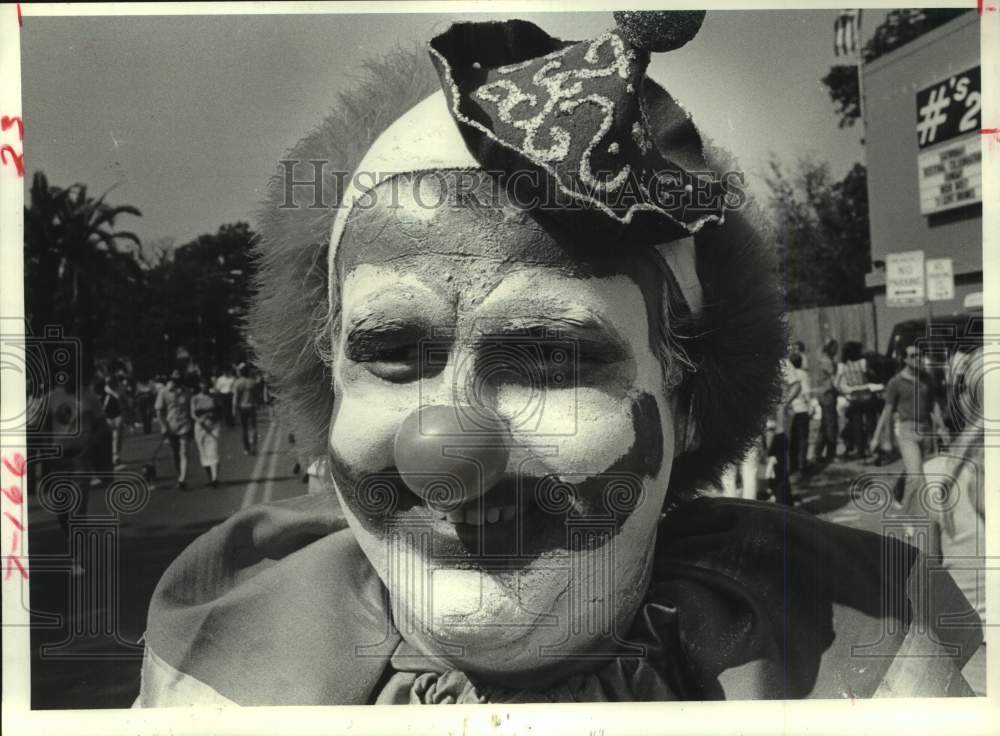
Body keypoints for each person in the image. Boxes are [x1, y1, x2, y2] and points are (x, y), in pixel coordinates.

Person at [137, 12, 979, 705]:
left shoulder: (872, 662)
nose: (444, 450)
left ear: (685, 401)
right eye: (394, 353)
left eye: (549, 356)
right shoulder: (218, 673)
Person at [870, 344, 950, 524]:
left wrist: (942, 427)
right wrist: (879, 437)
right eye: (913, 356)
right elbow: (887, 411)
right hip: (907, 431)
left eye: (920, 355)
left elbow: (933, 406)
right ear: (905, 359)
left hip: (926, 430)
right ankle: (908, 516)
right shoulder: (896, 382)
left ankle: (898, 494)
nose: (917, 359)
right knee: (916, 476)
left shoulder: (926, 379)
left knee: (920, 471)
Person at [155, 369, 193, 490]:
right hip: (170, 426)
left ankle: (182, 478)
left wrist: (192, 425)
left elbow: (190, 409)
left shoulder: (187, 391)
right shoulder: (164, 392)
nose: (177, 382)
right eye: (175, 380)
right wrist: (163, 426)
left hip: (184, 425)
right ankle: (180, 474)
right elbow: (159, 410)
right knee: (175, 453)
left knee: (184, 453)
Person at [835, 341, 872, 458]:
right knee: (870, 422)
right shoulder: (862, 362)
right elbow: (869, 375)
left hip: (853, 396)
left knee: (857, 424)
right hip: (866, 394)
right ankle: (871, 447)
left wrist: (844, 390)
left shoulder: (842, 365)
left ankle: (860, 450)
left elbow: (837, 383)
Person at [811, 339, 839, 467]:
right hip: (828, 395)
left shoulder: (820, 360)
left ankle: (817, 452)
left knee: (824, 425)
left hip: (821, 395)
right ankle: (831, 454)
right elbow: (834, 381)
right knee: (831, 425)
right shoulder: (828, 362)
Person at [191, 377, 221, 487]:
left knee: (213, 450)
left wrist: (212, 416)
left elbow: (219, 410)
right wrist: (199, 420)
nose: (204, 386)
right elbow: (193, 413)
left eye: (206, 384)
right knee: (203, 451)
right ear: (199, 385)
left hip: (213, 425)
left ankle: (215, 478)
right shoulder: (195, 398)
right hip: (200, 427)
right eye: (202, 384)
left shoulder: (214, 397)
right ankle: (210, 478)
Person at [787, 352, 811, 476]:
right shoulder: (803, 374)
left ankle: (792, 465)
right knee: (803, 439)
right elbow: (806, 391)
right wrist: (811, 406)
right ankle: (802, 465)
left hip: (790, 409)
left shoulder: (788, 373)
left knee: (792, 439)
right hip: (801, 408)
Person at [232, 364, 260, 455]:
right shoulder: (252, 382)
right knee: (253, 427)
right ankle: (254, 446)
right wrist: (257, 403)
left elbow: (235, 398)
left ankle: (246, 448)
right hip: (251, 406)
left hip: (242, 407)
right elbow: (257, 396)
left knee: (244, 428)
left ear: (240, 372)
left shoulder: (237, 383)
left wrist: (234, 409)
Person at [103, 375, 125, 469]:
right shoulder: (106, 393)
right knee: (115, 437)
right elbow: (103, 408)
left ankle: (117, 456)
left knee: (119, 437)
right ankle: (114, 457)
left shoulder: (118, 391)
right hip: (110, 418)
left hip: (118, 416)